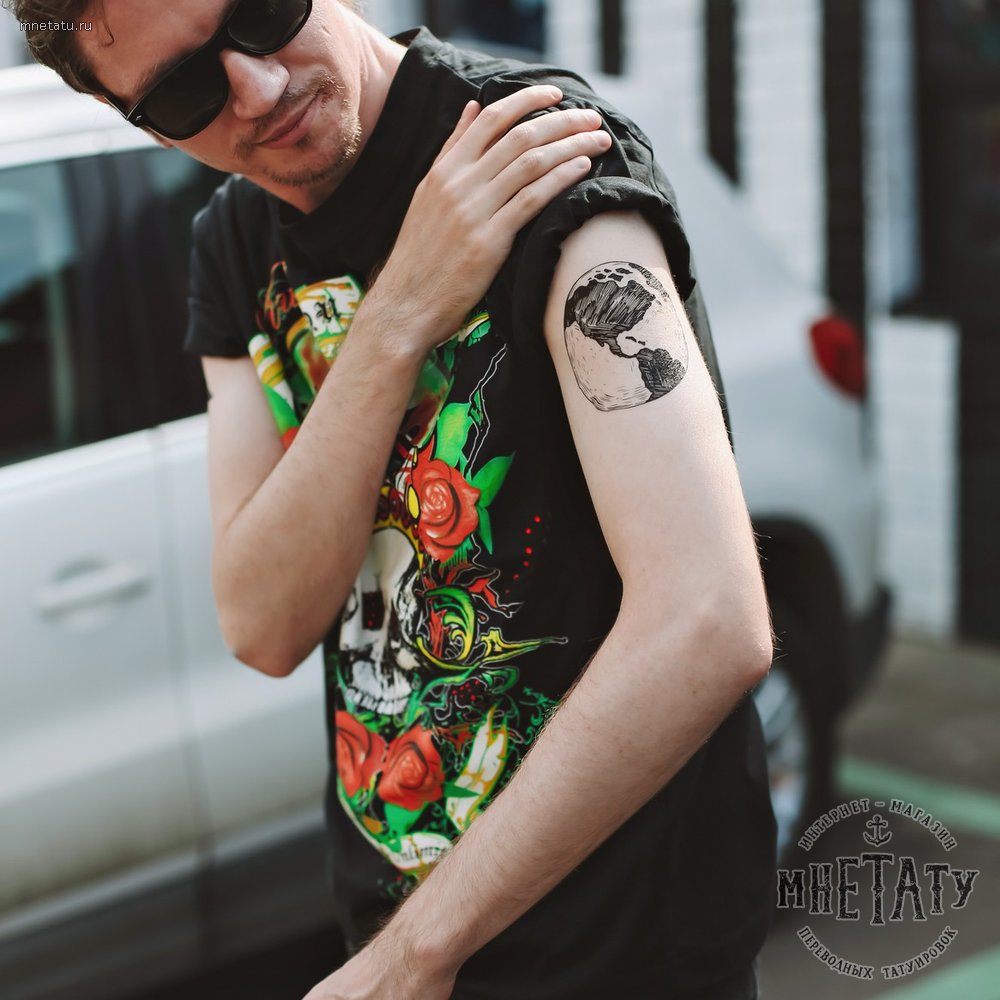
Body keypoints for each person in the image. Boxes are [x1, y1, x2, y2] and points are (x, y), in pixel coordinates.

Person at [15, 0, 778, 996]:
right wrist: (396, 318)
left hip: (617, 958)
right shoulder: (235, 242)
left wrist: (414, 956)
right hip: (403, 933)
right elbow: (264, 623)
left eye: (259, 12)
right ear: (141, 125)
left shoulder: (536, 155)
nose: (258, 87)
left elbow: (708, 620)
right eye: (183, 92)